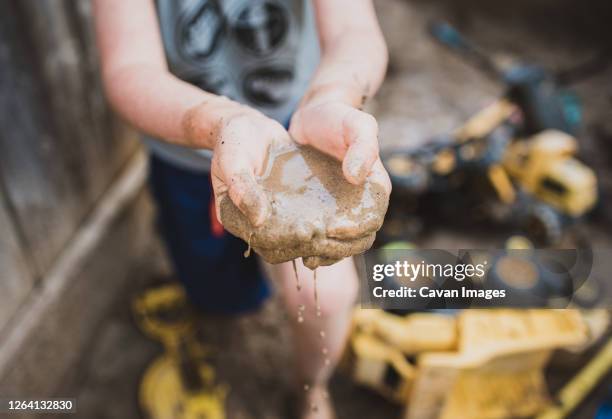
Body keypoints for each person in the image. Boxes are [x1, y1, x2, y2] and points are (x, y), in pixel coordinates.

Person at [93, 0, 390, 417]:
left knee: (328, 297)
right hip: (190, 152)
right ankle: (229, 311)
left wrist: (332, 96)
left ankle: (312, 387)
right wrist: (217, 123)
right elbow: (128, 71)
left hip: (305, 134)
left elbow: (353, 32)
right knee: (216, 285)